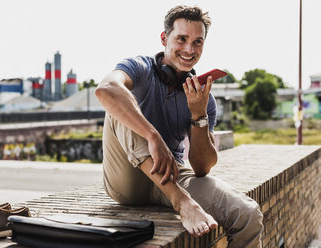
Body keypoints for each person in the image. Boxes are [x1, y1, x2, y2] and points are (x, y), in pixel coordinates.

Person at [95, 5, 263, 248]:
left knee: (249, 213)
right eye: (181, 39)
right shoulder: (139, 68)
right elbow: (105, 90)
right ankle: (183, 203)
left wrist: (199, 114)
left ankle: (181, 196)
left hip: (170, 174)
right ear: (164, 38)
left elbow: (202, 167)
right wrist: (152, 136)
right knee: (119, 105)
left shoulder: (203, 97)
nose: (189, 49)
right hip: (128, 180)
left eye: (197, 42)